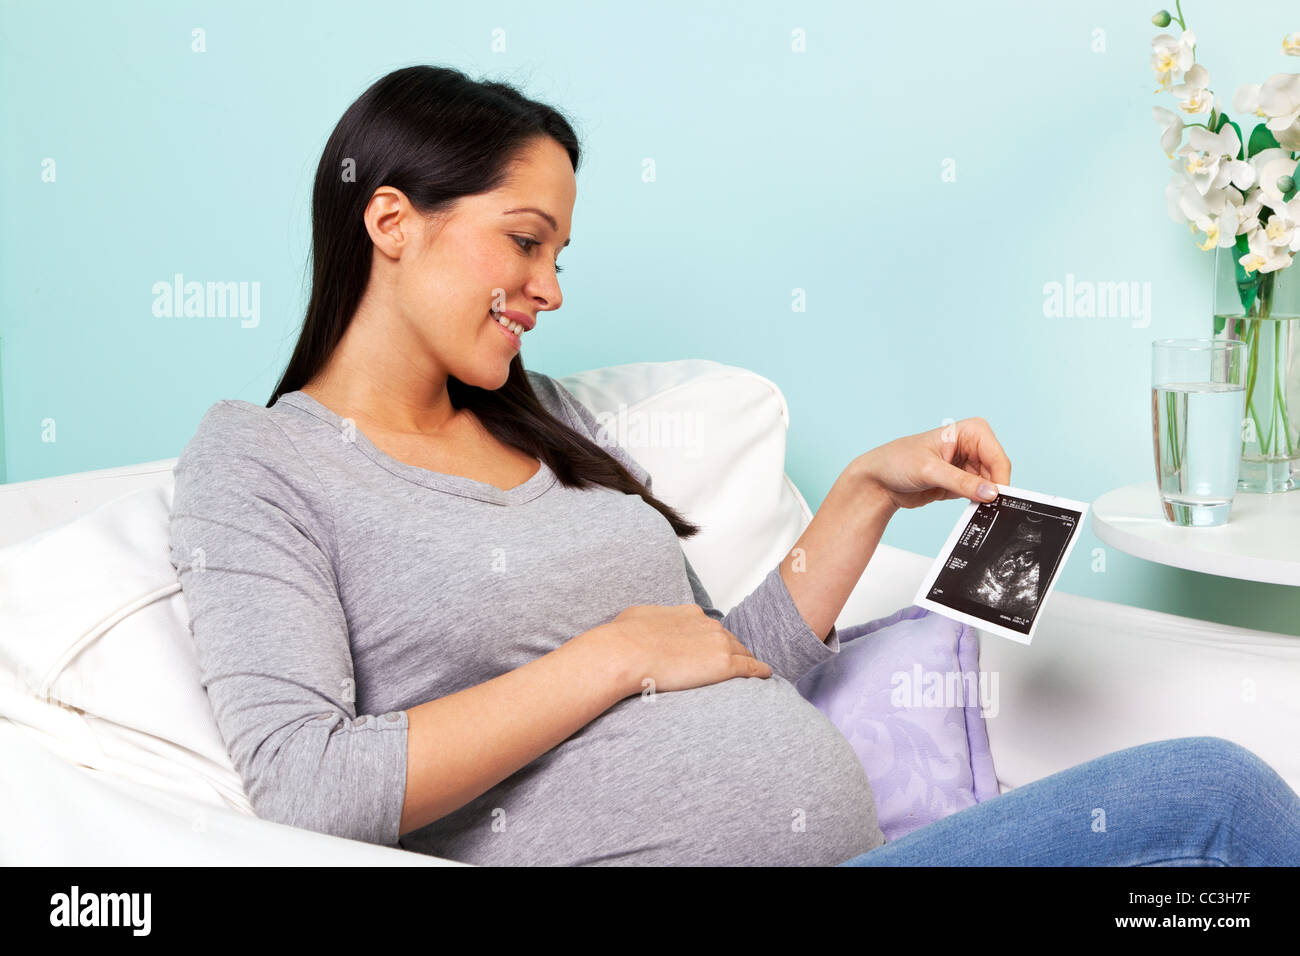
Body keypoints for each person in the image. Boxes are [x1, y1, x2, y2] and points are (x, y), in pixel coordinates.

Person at [168, 65, 1300, 867]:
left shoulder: (547, 421)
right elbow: (305, 780)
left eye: (560, 254)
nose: (550, 287)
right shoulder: (263, 462)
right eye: (524, 240)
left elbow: (728, 659)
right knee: (1210, 798)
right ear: (390, 219)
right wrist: (610, 655)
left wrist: (864, 489)